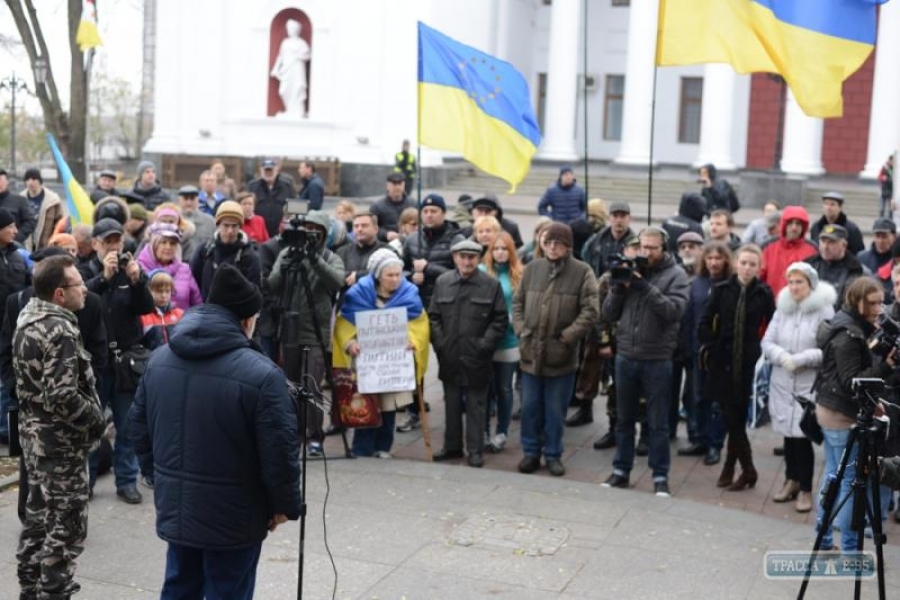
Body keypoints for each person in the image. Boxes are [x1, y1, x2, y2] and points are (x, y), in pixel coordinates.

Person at [128, 264, 301, 598]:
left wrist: (160, 477)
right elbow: (278, 451)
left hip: (180, 507)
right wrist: (284, 505)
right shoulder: (263, 374)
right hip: (235, 517)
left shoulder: (160, 358)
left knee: (179, 586)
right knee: (228, 591)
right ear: (248, 320)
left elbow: (139, 430)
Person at [13, 255, 106, 600]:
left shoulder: (30, 317)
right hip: (60, 445)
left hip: (36, 440)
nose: (84, 288)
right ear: (59, 294)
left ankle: (29, 588)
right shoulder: (60, 329)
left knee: (37, 520)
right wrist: (97, 422)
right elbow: (63, 395)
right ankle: (53, 591)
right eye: (77, 284)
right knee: (65, 527)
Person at [601, 227, 689, 496]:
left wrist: (644, 287)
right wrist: (618, 288)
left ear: (664, 248)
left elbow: (674, 312)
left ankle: (660, 476)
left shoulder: (677, 275)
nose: (647, 253)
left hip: (657, 359)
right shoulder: (629, 269)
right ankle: (620, 471)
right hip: (626, 356)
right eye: (643, 247)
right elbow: (607, 313)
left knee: (658, 422)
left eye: (652, 248)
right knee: (624, 420)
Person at [814, 276, 893, 552]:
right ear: (856, 301)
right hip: (840, 415)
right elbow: (852, 382)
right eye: (872, 303)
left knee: (833, 477)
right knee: (848, 483)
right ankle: (850, 549)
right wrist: (886, 366)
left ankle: (823, 540)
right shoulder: (849, 334)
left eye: (881, 302)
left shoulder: (847, 324)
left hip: (832, 409)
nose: (878, 308)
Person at [514, 223, 598, 477]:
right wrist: (521, 330)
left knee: (554, 411)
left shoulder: (582, 272)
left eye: (557, 243)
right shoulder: (532, 268)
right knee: (529, 408)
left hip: (560, 356)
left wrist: (568, 337)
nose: (552, 247)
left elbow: (591, 310)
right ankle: (530, 452)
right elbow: (518, 303)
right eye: (548, 242)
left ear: (568, 246)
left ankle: (553, 454)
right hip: (530, 353)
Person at [80, 218, 154, 503]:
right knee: (91, 427)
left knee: (127, 426)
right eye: (107, 241)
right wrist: (103, 279)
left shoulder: (130, 272)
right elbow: (80, 305)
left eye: (117, 241)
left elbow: (147, 307)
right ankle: (84, 482)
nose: (113, 247)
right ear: (95, 244)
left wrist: (137, 282)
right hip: (94, 364)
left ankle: (126, 482)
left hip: (125, 363)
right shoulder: (84, 270)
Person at [333, 249, 429, 458]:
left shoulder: (409, 294)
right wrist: (349, 343)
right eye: (390, 275)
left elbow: (420, 323)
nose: (395, 279)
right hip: (366, 361)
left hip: (392, 364)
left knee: (389, 407)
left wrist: (413, 341)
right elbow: (343, 323)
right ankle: (362, 448)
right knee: (365, 404)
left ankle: (383, 447)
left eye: (398, 275)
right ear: (377, 275)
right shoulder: (358, 294)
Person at [699, 244, 775, 492]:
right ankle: (748, 469)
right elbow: (704, 322)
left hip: (749, 363)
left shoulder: (764, 293)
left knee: (738, 419)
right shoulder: (721, 290)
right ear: (736, 264)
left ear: (759, 268)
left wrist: (764, 350)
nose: (747, 267)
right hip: (723, 362)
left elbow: (773, 326)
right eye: (743, 262)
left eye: (752, 264)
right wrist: (712, 345)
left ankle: (731, 467)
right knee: (731, 417)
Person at [268, 210, 344, 457]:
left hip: (316, 331)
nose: (309, 235)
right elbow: (272, 284)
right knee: (290, 386)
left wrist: (314, 259)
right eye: (306, 230)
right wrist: (285, 266)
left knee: (312, 387)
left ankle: (315, 437)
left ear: (323, 234)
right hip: (290, 328)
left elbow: (336, 282)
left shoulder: (331, 257)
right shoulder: (286, 253)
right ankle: (294, 433)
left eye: (315, 230)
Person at [761, 263, 835, 513]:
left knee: (803, 436)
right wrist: (782, 357)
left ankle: (805, 489)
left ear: (810, 284)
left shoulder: (823, 310)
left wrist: (801, 359)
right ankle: (790, 480)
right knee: (787, 436)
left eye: (799, 282)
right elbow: (768, 341)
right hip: (782, 380)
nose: (794, 287)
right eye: (790, 282)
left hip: (807, 382)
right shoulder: (783, 308)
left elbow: (828, 348)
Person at [429, 240, 508, 467]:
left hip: (478, 356)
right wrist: (441, 344)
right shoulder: (443, 282)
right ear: (454, 258)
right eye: (462, 257)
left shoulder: (490, 285)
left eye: (471, 257)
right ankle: (452, 446)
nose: (467, 261)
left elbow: (500, 319)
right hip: (450, 354)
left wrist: (485, 345)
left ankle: (475, 450)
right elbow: (434, 316)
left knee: (476, 406)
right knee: (451, 404)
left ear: (479, 259)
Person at [680, 241, 732, 466]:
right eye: (709, 258)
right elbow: (689, 316)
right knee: (698, 397)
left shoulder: (731, 284)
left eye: (718, 258)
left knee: (718, 401)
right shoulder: (698, 283)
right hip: (698, 351)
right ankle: (699, 437)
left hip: (721, 353)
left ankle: (715, 443)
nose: (713, 262)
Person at [480, 231, 522, 452]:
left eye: (504, 248)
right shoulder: (481, 271)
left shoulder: (518, 274)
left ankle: (502, 431)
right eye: (495, 248)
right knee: (486, 389)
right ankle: (485, 430)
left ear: (511, 251)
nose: (499, 252)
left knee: (504, 389)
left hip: (509, 339)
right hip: (486, 340)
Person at [191, 201, 262, 299]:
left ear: (240, 227)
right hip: (207, 309)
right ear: (218, 225)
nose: (230, 231)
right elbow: (193, 282)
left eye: (234, 226)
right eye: (226, 225)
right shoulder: (205, 251)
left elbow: (253, 292)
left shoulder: (249, 256)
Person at [137, 222, 203, 310]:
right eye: (163, 242)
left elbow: (197, 305)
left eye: (172, 243)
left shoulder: (184, 269)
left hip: (182, 322)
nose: (168, 247)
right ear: (153, 245)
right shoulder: (138, 268)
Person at [805, 224, 867, 310]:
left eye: (831, 242)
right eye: (823, 241)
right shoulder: (809, 266)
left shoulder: (856, 270)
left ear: (844, 245)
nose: (825, 247)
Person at [759, 206, 818, 297]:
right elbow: (759, 276)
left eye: (798, 224)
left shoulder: (812, 249)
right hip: (770, 302)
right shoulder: (768, 246)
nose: (794, 228)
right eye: (790, 223)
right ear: (784, 225)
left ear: (803, 227)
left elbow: (815, 280)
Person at [336, 212, 393, 289]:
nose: (359, 229)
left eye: (364, 226)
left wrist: (358, 276)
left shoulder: (387, 251)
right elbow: (334, 274)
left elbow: (390, 273)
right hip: (347, 298)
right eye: (356, 226)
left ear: (376, 229)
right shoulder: (342, 251)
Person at [270, 18, 311, 116]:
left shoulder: (301, 43)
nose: (289, 30)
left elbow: (307, 55)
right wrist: (275, 69)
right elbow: (281, 56)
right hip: (286, 69)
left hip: (297, 69)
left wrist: (297, 56)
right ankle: (290, 110)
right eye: (288, 28)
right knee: (283, 90)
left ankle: (299, 111)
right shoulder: (285, 42)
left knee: (297, 88)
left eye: (290, 28)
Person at [247, 159, 295, 238]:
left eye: (271, 170)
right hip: (258, 232)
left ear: (276, 170)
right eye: (266, 170)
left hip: (281, 232)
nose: (268, 173)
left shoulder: (286, 186)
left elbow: (292, 208)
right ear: (261, 170)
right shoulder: (252, 186)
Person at [140, 270, 185, 351]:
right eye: (159, 291)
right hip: (152, 360)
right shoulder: (143, 316)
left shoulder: (180, 314)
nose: (164, 295)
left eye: (167, 291)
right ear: (149, 291)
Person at [809, 191, 865, 255]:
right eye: (826, 204)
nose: (828, 207)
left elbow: (858, 253)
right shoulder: (816, 227)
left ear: (840, 207)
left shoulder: (852, 229)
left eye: (832, 204)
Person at [23, 167, 65, 252]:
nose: (30, 182)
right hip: (25, 246)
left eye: (34, 179)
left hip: (46, 246)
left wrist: (54, 241)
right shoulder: (20, 199)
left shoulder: (52, 200)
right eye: (27, 179)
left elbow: (60, 223)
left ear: (40, 181)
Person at [371, 172, 416, 243]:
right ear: (387, 185)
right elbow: (371, 227)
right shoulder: (377, 206)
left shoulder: (413, 204)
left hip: (410, 242)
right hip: (386, 244)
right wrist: (386, 234)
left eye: (400, 184)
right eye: (394, 184)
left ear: (404, 185)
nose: (397, 187)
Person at [0, 168, 37, 244]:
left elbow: (30, 221)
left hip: (12, 247)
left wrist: (16, 237)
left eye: (0, 180)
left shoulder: (19, 200)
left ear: (7, 181)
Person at [176, 184, 217, 254]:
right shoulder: (173, 220)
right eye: (185, 199)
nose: (189, 203)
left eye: (192, 199)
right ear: (179, 200)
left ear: (198, 200)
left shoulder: (210, 221)